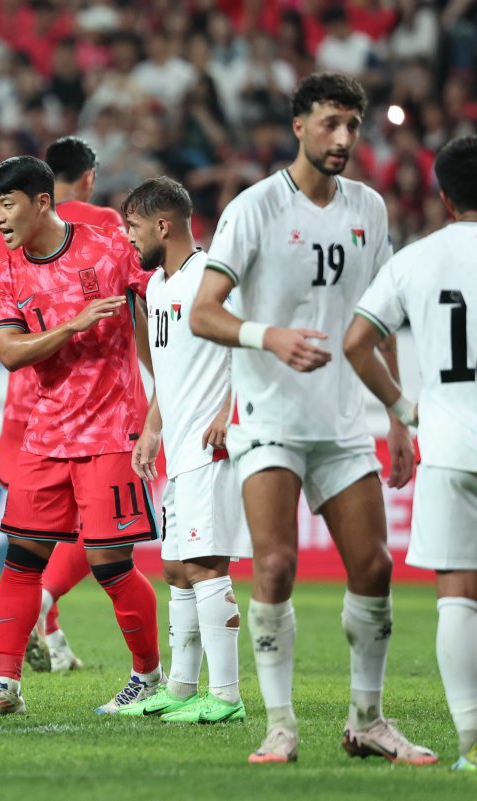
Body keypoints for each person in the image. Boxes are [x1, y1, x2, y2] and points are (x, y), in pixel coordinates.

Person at [189, 72, 436, 764]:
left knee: (375, 565)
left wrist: (395, 410)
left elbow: (378, 317)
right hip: (269, 418)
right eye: (329, 123)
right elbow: (205, 311)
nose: (343, 139)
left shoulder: (370, 208)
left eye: (352, 126)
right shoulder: (255, 208)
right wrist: (268, 336)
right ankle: (281, 725)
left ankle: (367, 720)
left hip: (341, 420)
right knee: (273, 566)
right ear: (298, 126)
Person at [0, 155, 159, 717]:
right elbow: (8, 353)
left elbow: (163, 297)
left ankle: (148, 676)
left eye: (8, 204)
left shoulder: (109, 247)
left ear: (41, 201)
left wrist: (166, 396)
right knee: (21, 559)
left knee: (110, 565)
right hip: (45, 435)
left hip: (111, 430)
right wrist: (70, 326)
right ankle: (5, 686)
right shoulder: (4, 271)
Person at [343, 134, 477, 773]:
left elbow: (356, 342)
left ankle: (472, 747)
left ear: (444, 196)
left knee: (457, 594)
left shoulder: (415, 260)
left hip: (449, 441)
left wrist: (402, 409)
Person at [118, 177, 251, 724]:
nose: (129, 238)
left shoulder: (214, 278)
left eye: (133, 226)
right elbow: (171, 371)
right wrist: (152, 425)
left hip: (211, 443)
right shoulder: (155, 287)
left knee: (204, 564)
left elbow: (250, 344)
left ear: (162, 224)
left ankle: (225, 696)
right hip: (178, 442)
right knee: (175, 567)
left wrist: (230, 411)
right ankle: (179, 688)